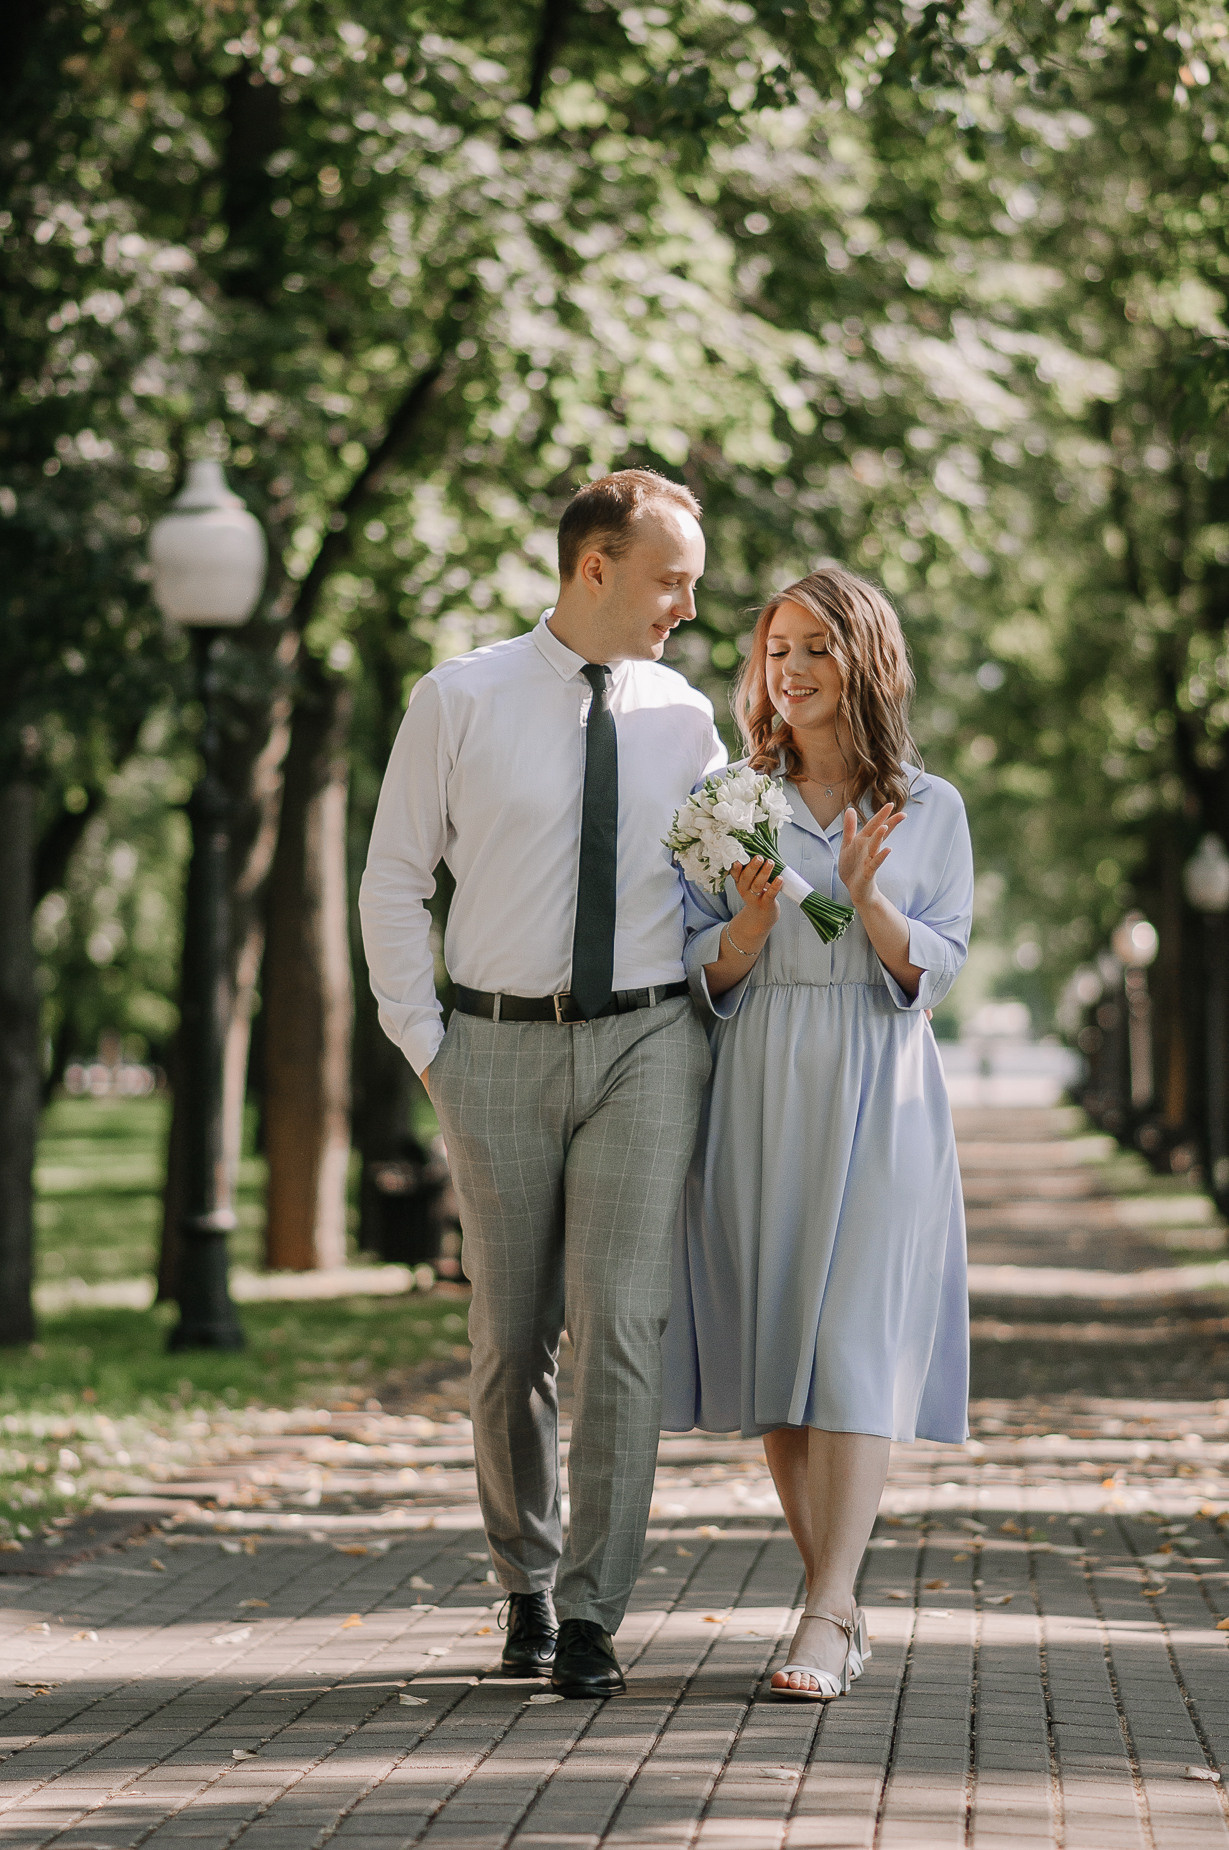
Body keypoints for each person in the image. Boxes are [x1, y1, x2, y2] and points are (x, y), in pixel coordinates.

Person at [359, 470, 724, 1698]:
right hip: (493, 1046)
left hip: (646, 1039)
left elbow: (721, 884)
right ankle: (523, 1578)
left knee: (621, 1323)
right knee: (509, 1336)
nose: (686, 603)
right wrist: (428, 1044)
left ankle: (591, 1615)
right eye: (671, 578)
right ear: (594, 567)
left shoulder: (686, 715)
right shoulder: (457, 697)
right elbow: (393, 878)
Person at [662, 564, 973, 1700]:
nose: (786, 671)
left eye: (812, 649)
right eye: (774, 649)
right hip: (758, 1079)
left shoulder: (929, 807)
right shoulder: (724, 803)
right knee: (779, 1353)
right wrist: (745, 921)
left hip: (879, 1081)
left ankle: (825, 1607)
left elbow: (928, 964)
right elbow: (702, 970)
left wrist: (867, 894)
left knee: (849, 1343)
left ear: (862, 661)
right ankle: (832, 1602)